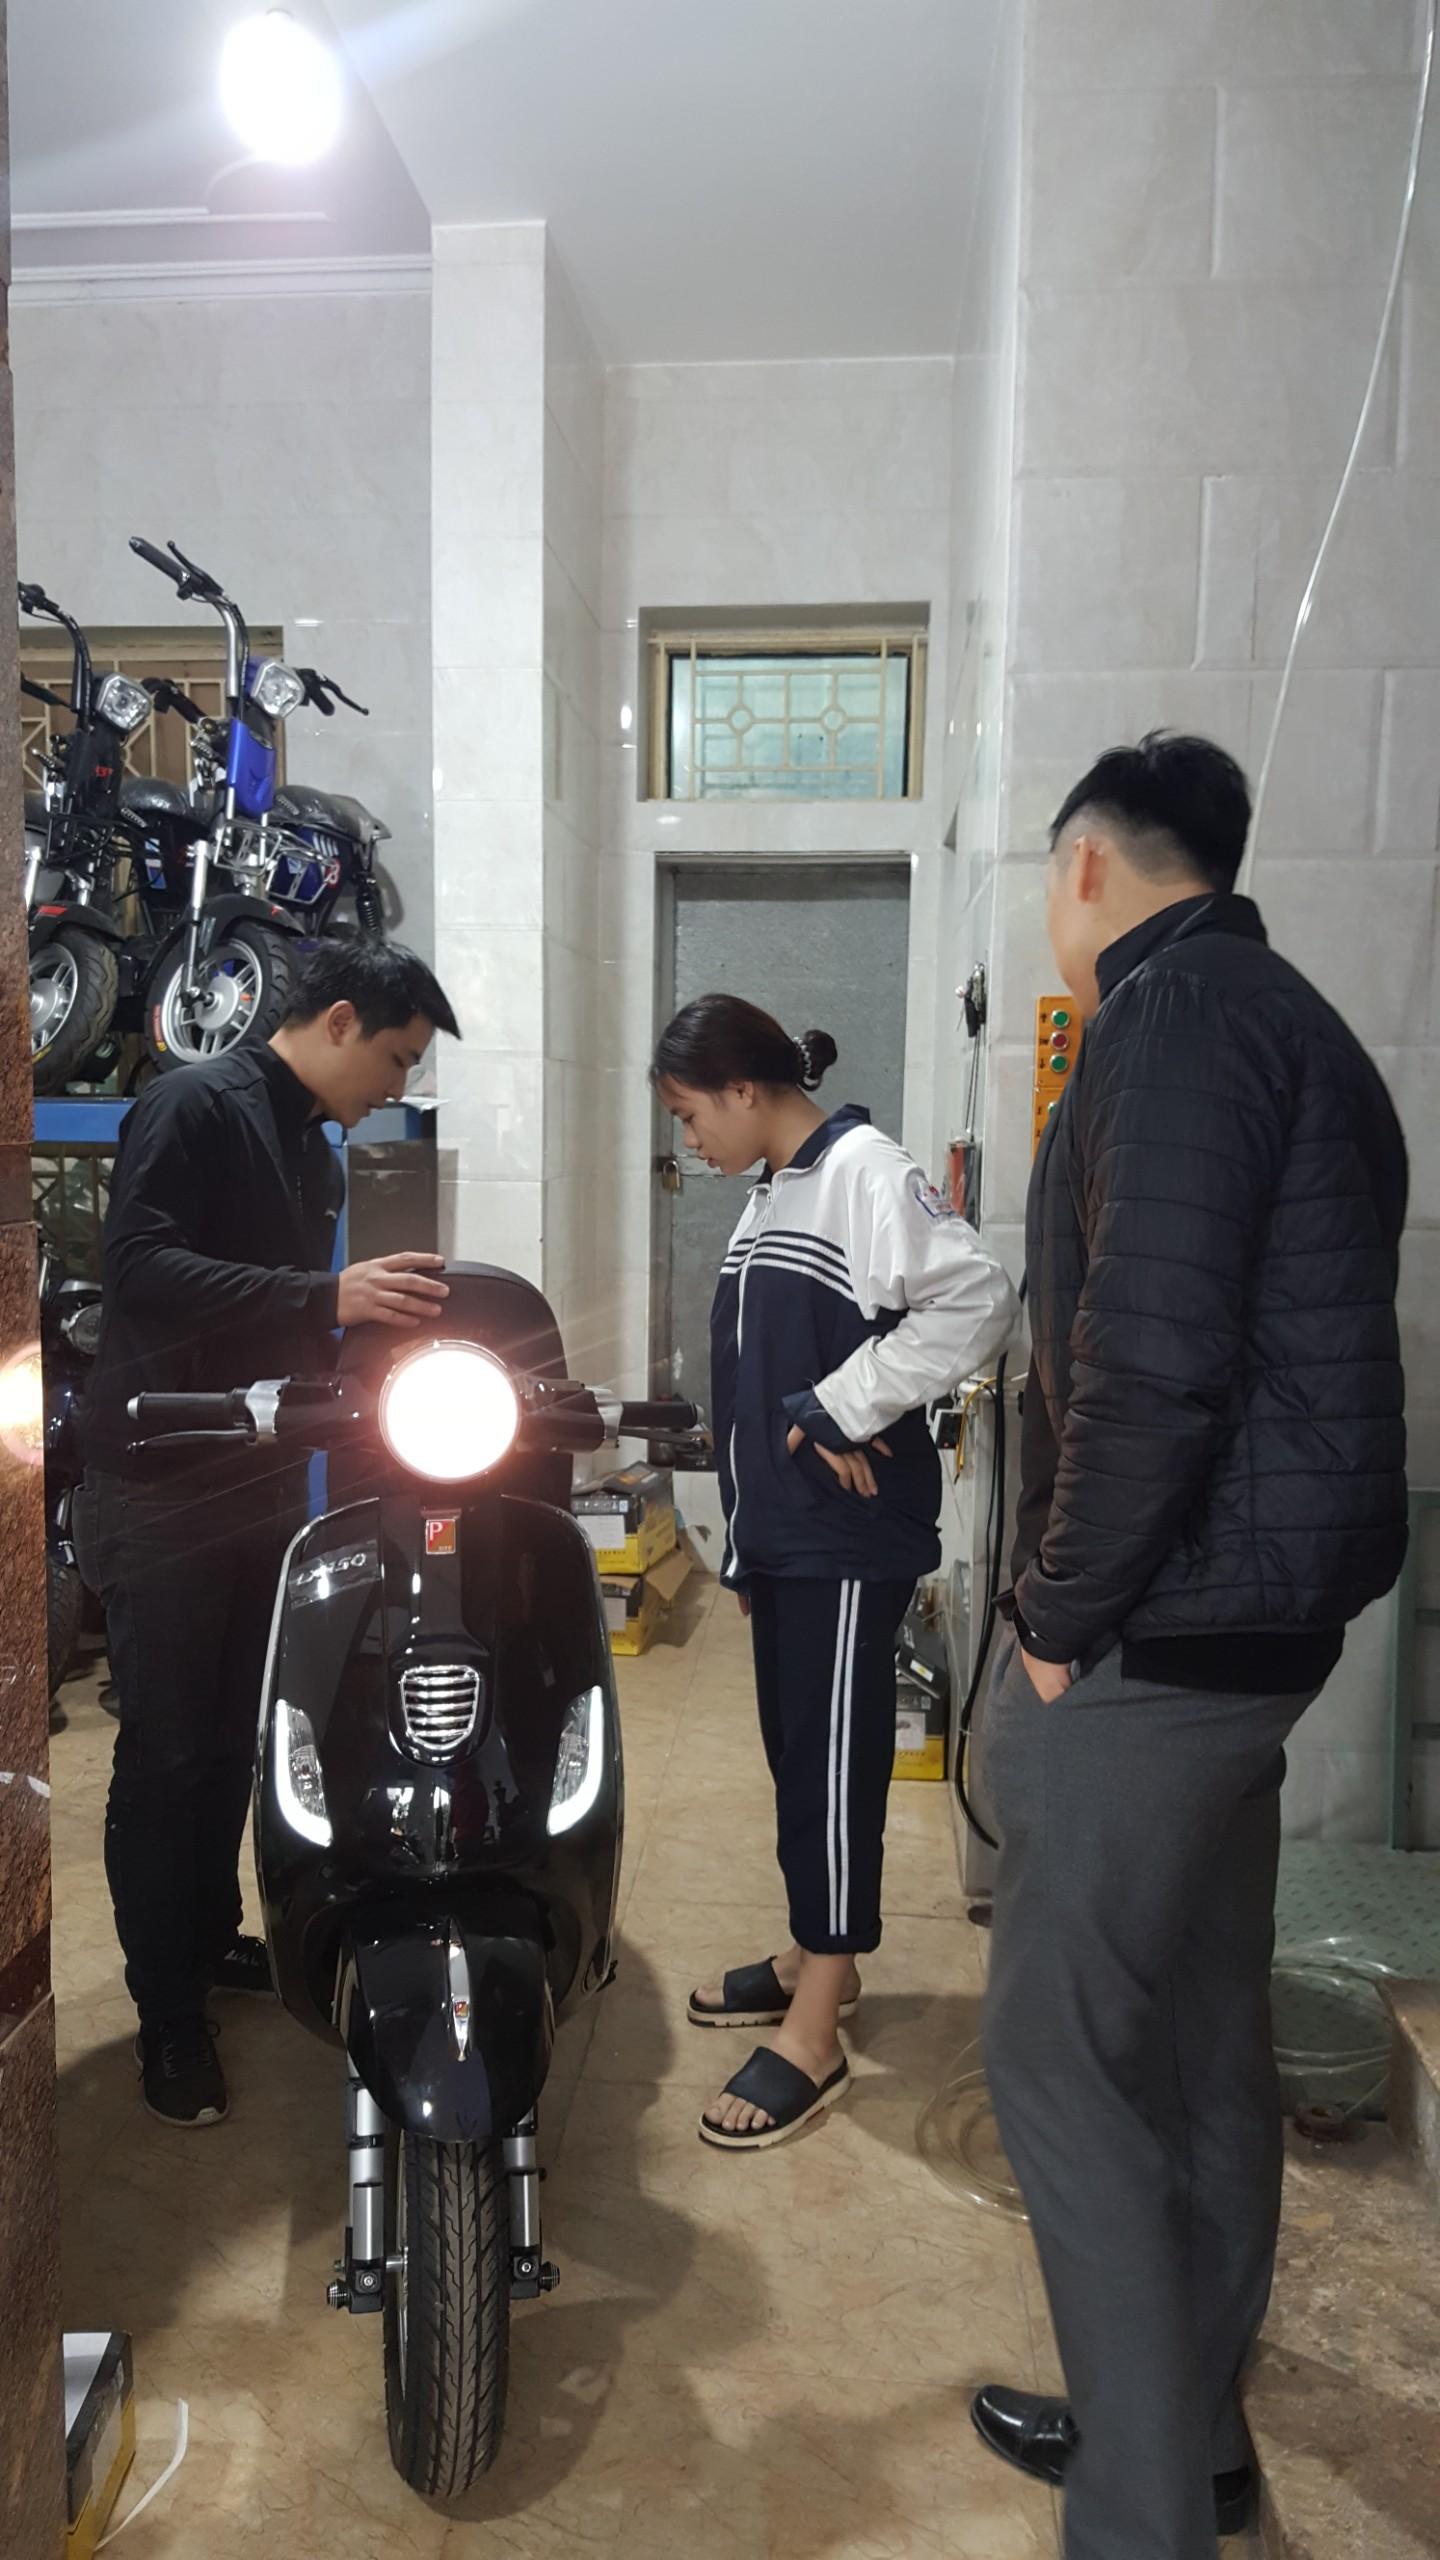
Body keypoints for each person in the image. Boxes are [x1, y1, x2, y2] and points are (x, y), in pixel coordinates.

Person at [971, 734, 1408, 2560]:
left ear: (1085, 867)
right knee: (1205, 2043)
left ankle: (1139, 2514)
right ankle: (1192, 2434)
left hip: (1161, 1632)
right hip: (1265, 1632)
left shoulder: (1166, 1023)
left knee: (1058, 2064)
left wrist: (1058, 1622)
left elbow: (1150, 1364)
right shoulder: (1302, 1024)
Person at [75, 940, 461, 2130]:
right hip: (161, 1482)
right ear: (339, 1021)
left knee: (238, 1743)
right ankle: (166, 2012)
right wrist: (321, 1297)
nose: (396, 1085)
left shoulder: (311, 1148)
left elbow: (281, 1319)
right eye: (395, 1057)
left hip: (255, 1482)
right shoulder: (191, 1104)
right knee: (169, 1753)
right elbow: (138, 1269)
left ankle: (206, 1938)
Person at [652, 995, 1018, 2151]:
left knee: (833, 1766)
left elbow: (977, 1297)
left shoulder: (863, 1169)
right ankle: (821, 1957)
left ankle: (816, 2027)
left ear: (743, 1088)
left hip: (847, 1539)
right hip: (790, 1535)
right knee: (797, 1754)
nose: (689, 1140)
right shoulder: (774, 1189)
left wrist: (844, 1405)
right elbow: (762, 1371)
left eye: (691, 1114)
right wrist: (746, 1533)